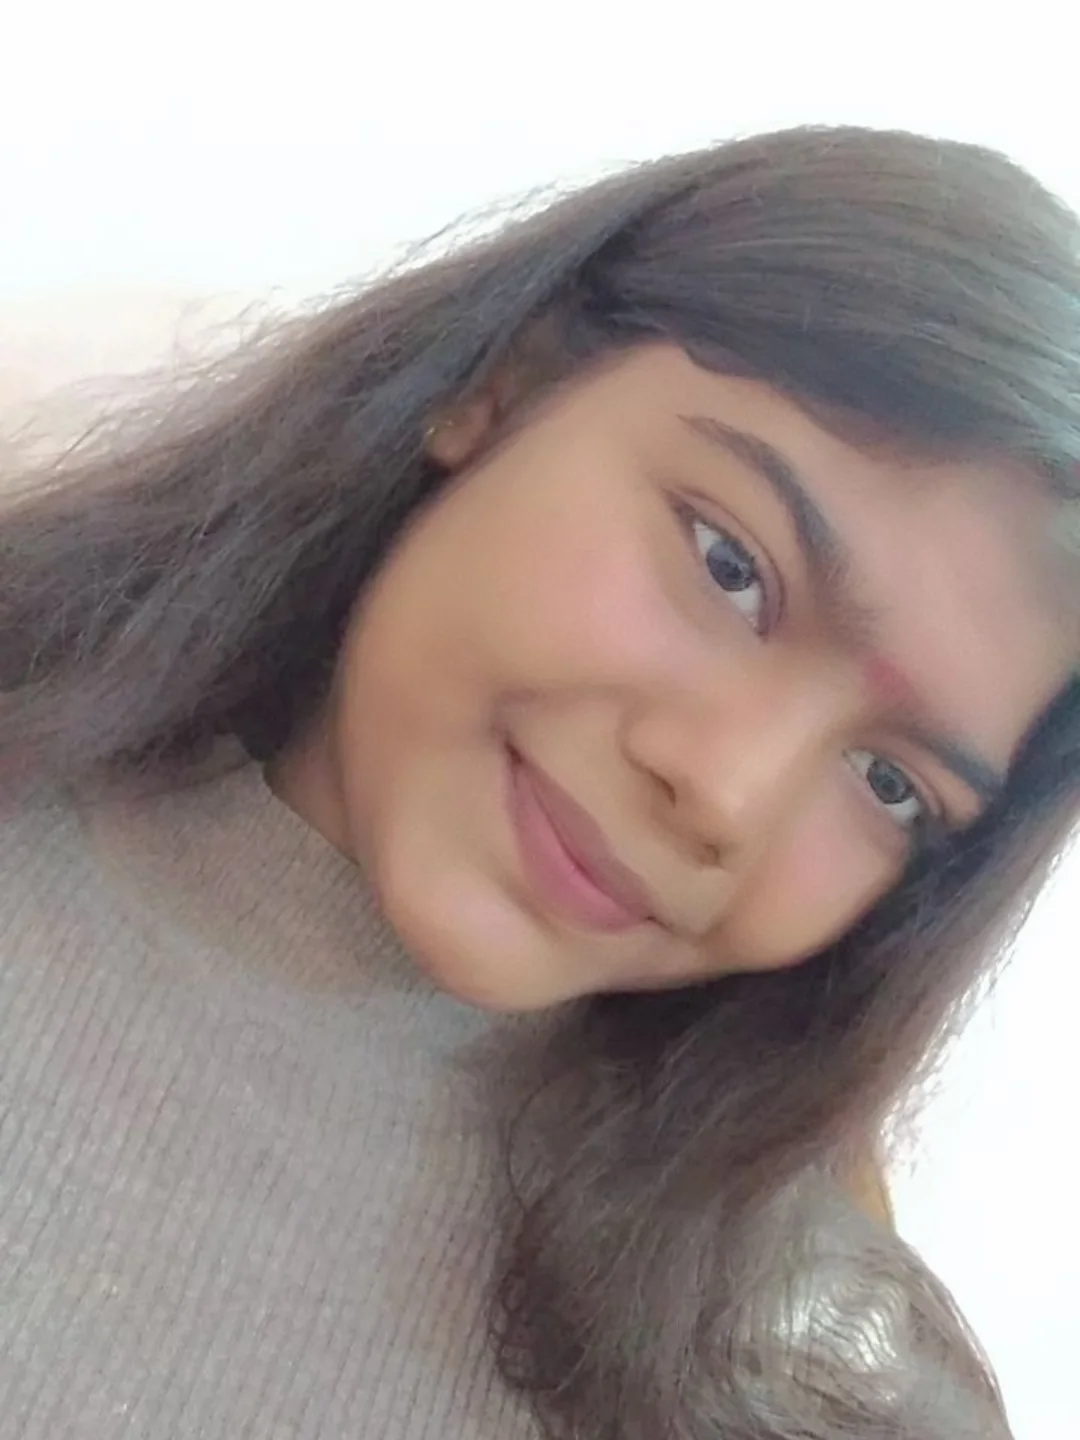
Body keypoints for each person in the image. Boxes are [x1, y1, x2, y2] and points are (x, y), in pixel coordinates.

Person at [0, 124, 1076, 1440]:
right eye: (731, 568)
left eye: (890, 784)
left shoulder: (822, 1388)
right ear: (503, 386)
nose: (727, 794)